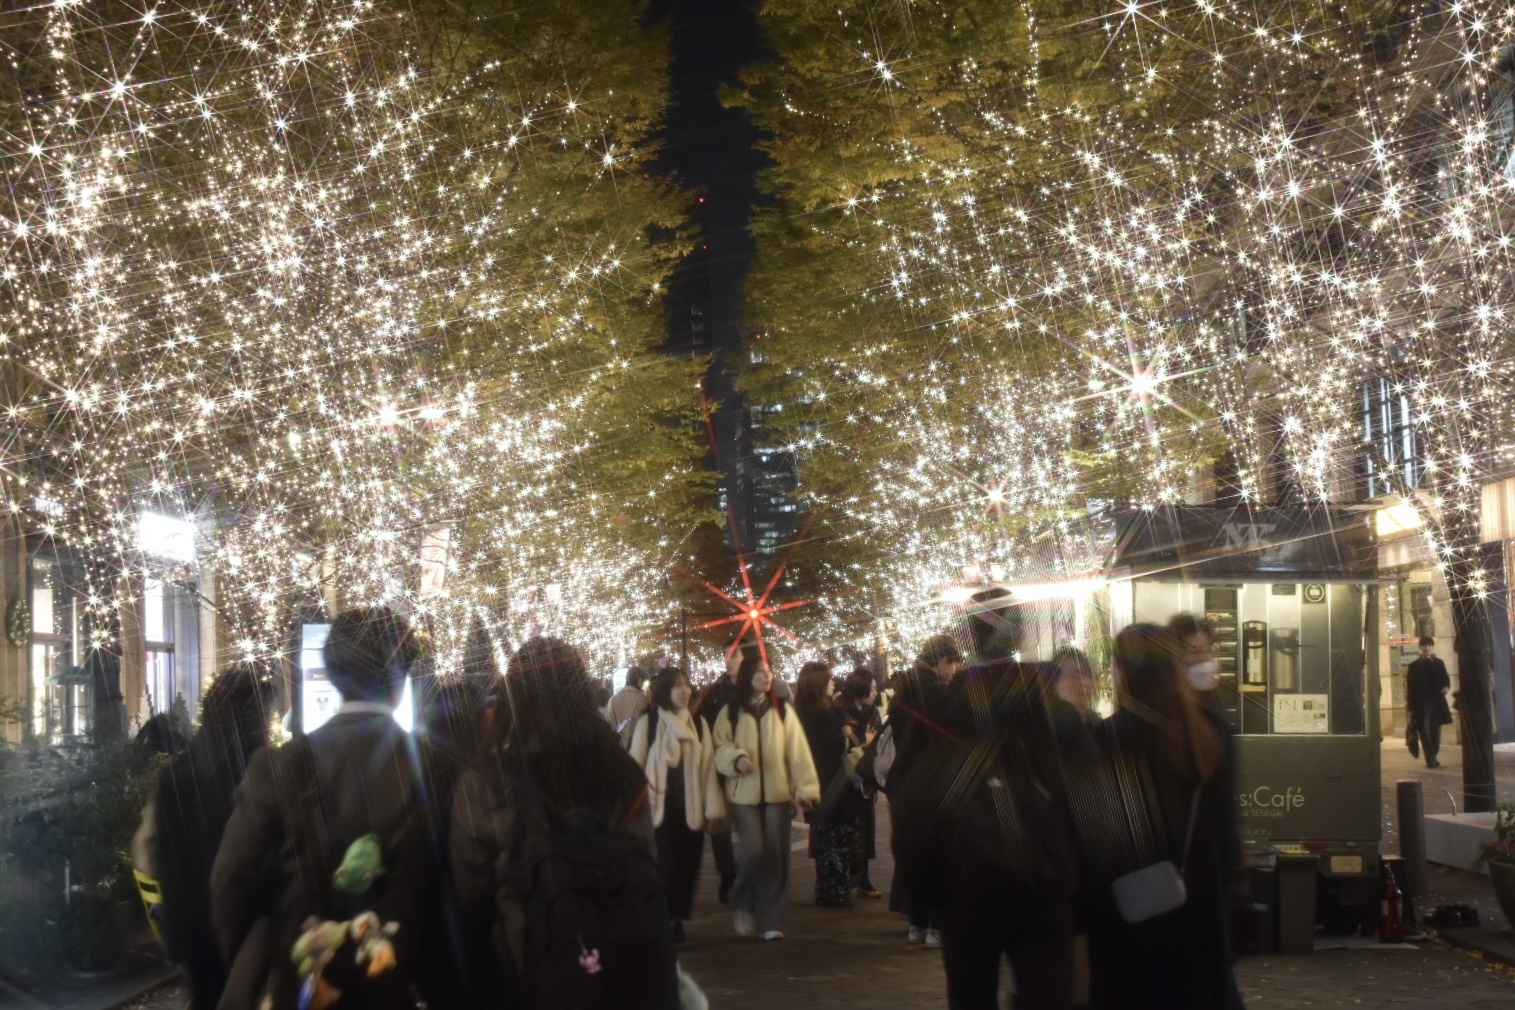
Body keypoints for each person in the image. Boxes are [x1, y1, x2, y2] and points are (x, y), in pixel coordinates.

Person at [211, 607, 463, 1010]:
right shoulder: (441, 770)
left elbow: (230, 881)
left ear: (329, 674)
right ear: (403, 677)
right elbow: (463, 888)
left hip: (303, 984)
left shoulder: (278, 767)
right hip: (403, 983)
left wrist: (265, 951)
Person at [450, 636, 677, 1007]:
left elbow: (471, 889)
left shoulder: (488, 781)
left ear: (514, 697)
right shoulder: (621, 772)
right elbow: (647, 857)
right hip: (625, 966)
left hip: (530, 968)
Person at [925, 589, 1079, 1010]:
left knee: (971, 995)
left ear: (968, 639)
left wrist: (927, 889)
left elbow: (917, 798)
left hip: (965, 887)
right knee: (1046, 993)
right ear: (1019, 634)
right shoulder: (1049, 703)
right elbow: (1083, 795)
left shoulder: (941, 707)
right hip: (1040, 884)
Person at [1088, 624, 1242, 1010]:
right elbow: (1226, 835)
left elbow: (1096, 837)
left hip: (1130, 915)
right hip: (1199, 913)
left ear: (1123, 672)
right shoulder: (1211, 733)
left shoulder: (1106, 738)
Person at [143, 664, 272, 1010]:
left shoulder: (175, 775)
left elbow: (160, 854)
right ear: (254, 716)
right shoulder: (266, 771)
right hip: (251, 929)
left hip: (194, 928)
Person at [712, 652, 821, 940]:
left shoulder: (782, 709)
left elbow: (798, 751)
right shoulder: (731, 711)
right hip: (742, 794)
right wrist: (736, 760)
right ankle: (742, 899)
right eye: (760, 671)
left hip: (777, 793)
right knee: (753, 851)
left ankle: (771, 921)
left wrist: (807, 789)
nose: (766, 674)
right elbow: (719, 747)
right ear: (749, 675)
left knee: (776, 856)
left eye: (769, 670)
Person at [628, 666, 725, 943]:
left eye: (687, 685)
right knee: (664, 865)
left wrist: (713, 807)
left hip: (691, 807)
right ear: (665, 691)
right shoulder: (650, 723)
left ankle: (678, 916)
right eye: (678, 686)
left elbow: (707, 769)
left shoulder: (698, 723)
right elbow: (635, 766)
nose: (685, 691)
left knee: (688, 865)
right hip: (659, 808)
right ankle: (666, 918)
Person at [695, 636, 791, 903]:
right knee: (722, 827)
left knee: (760, 834)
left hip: (761, 774)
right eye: (726, 655)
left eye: (734, 655)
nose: (729, 660)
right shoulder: (715, 692)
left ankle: (756, 882)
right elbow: (703, 725)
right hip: (722, 769)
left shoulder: (773, 690)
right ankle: (729, 875)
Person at [887, 632, 963, 946]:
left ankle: (916, 923)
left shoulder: (902, 690)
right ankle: (936, 925)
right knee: (940, 853)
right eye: (953, 664)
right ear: (944, 661)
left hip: (903, 779)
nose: (953, 671)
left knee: (913, 851)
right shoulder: (939, 695)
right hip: (934, 782)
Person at [795, 661, 867, 908]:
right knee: (836, 837)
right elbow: (838, 743)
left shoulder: (805, 711)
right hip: (830, 781)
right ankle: (834, 890)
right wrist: (848, 736)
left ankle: (829, 889)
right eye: (829, 679)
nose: (833, 682)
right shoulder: (819, 714)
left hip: (818, 780)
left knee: (826, 837)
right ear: (818, 683)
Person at [838, 667, 884, 898]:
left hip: (867, 776)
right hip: (845, 778)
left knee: (867, 828)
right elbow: (848, 740)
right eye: (872, 688)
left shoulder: (871, 710)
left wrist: (858, 736)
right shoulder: (840, 708)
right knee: (848, 830)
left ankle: (863, 879)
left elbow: (875, 739)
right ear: (860, 688)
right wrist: (861, 737)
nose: (876, 693)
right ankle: (847, 879)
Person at [1406, 635, 1453, 768]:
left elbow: (1446, 679)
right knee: (1424, 731)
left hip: (1436, 703)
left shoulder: (1438, 663)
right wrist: (1410, 708)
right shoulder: (1414, 666)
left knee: (1435, 733)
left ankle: (1433, 755)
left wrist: (1446, 687)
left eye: (1429, 646)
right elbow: (1410, 687)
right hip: (1420, 704)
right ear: (1420, 647)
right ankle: (1430, 758)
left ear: (1432, 647)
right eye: (1424, 646)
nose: (1427, 648)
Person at [1048, 646, 1098, 719]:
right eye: (1074, 675)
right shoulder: (1045, 724)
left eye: (1087, 675)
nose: (1085, 682)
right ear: (1054, 683)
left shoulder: (1098, 724)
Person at [606, 667, 651, 747]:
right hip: (636, 748)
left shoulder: (612, 700)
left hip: (617, 748)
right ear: (640, 681)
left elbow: (609, 725)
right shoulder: (642, 700)